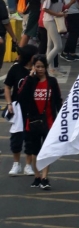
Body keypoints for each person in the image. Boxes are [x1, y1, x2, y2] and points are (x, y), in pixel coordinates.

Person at [18, 54, 62, 189]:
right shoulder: (30, 81)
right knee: (34, 151)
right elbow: (21, 95)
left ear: (46, 67)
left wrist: (60, 118)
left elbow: (58, 100)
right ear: (33, 67)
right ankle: (37, 176)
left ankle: (44, 177)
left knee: (47, 150)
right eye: (37, 67)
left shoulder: (52, 82)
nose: (40, 69)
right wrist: (30, 77)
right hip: (32, 121)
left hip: (49, 121)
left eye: (42, 67)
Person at [4, 44, 38, 177]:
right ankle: (16, 164)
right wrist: (9, 103)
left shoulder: (37, 70)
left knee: (30, 137)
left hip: (33, 108)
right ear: (30, 57)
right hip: (18, 109)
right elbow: (7, 87)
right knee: (16, 138)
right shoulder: (15, 69)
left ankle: (28, 165)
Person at [41, 0, 67, 75]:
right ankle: (43, 66)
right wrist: (58, 14)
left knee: (50, 45)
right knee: (58, 46)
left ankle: (50, 69)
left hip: (52, 20)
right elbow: (45, 8)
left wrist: (61, 12)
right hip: (50, 20)